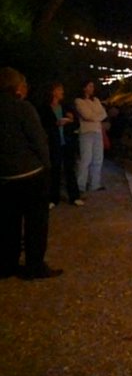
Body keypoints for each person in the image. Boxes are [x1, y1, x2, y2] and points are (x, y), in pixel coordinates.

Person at [0, 67, 62, 279]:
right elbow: (38, 140)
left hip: (6, 176)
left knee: (9, 222)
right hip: (30, 173)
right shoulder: (23, 108)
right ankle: (34, 266)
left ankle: (8, 264)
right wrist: (47, 165)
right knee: (36, 223)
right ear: (17, 87)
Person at [38, 82, 82, 208]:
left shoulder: (66, 107)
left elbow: (76, 123)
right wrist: (55, 124)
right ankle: (53, 198)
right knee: (55, 170)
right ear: (53, 92)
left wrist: (71, 120)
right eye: (59, 89)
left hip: (67, 142)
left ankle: (74, 196)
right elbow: (42, 126)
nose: (62, 92)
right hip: (54, 143)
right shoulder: (44, 109)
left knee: (70, 169)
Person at [75, 79, 108, 193]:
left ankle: (95, 183)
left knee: (98, 158)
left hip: (97, 131)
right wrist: (96, 116)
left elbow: (103, 114)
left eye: (92, 86)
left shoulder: (96, 100)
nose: (92, 88)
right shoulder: (79, 101)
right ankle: (81, 184)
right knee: (86, 159)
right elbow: (87, 115)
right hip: (86, 132)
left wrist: (94, 116)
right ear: (84, 88)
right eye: (90, 86)